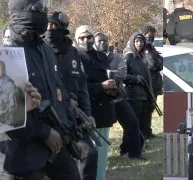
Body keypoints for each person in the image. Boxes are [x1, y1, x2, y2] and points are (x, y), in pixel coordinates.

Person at [1, 0, 82, 179]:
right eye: (38, 8)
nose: (44, 13)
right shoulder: (7, 53)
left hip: (56, 143)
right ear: (21, 10)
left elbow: (59, 91)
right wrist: (43, 133)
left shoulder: (45, 49)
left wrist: (71, 128)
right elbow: (7, 114)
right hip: (23, 152)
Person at [44, 11, 98, 180]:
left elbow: (82, 87)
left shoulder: (73, 53)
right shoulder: (41, 51)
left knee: (90, 154)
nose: (49, 29)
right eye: (47, 25)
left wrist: (87, 114)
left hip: (74, 119)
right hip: (50, 119)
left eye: (53, 26)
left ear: (62, 28)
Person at [75, 25, 117, 180]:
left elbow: (106, 77)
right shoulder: (74, 56)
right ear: (77, 39)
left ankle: (100, 177)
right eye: (82, 38)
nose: (86, 40)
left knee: (102, 151)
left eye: (89, 37)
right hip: (85, 110)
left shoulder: (102, 56)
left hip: (104, 108)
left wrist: (112, 88)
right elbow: (78, 86)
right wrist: (101, 86)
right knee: (86, 153)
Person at [94, 32, 145, 159]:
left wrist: (107, 73)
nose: (102, 43)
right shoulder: (91, 57)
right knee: (99, 129)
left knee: (132, 122)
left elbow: (123, 73)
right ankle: (98, 157)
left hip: (117, 96)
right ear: (94, 42)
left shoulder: (116, 57)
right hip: (98, 99)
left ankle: (133, 153)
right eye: (99, 41)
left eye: (104, 40)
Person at [123, 33, 155, 143]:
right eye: (137, 41)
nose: (139, 44)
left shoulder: (144, 58)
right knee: (132, 124)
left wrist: (151, 98)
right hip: (133, 97)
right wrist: (134, 78)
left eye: (141, 41)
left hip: (144, 97)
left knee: (144, 124)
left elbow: (149, 77)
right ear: (133, 42)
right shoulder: (129, 57)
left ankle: (139, 147)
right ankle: (128, 148)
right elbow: (122, 76)